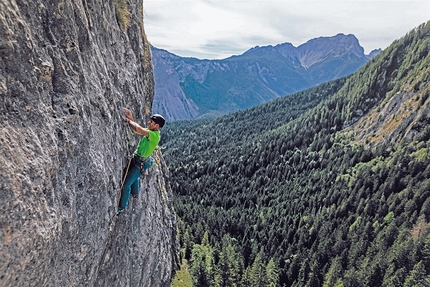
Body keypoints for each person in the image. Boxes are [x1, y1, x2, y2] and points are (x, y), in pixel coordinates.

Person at [117, 108, 165, 214]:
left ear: (157, 126)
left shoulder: (154, 135)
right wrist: (130, 116)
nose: (149, 123)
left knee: (126, 185)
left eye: (151, 122)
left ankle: (121, 207)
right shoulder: (150, 132)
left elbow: (138, 129)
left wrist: (129, 121)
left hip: (140, 163)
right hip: (138, 160)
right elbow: (136, 130)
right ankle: (135, 192)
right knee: (134, 176)